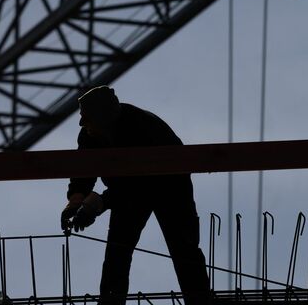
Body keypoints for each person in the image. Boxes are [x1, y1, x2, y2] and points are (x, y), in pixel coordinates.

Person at [61, 86, 210, 305]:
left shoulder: (144, 128)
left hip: (170, 187)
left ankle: (200, 302)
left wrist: (102, 201)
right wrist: (76, 198)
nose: (82, 123)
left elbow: (144, 184)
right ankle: (111, 302)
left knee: (183, 249)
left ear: (103, 117)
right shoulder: (90, 134)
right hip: (126, 191)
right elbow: (85, 167)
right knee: (117, 254)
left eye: (86, 117)